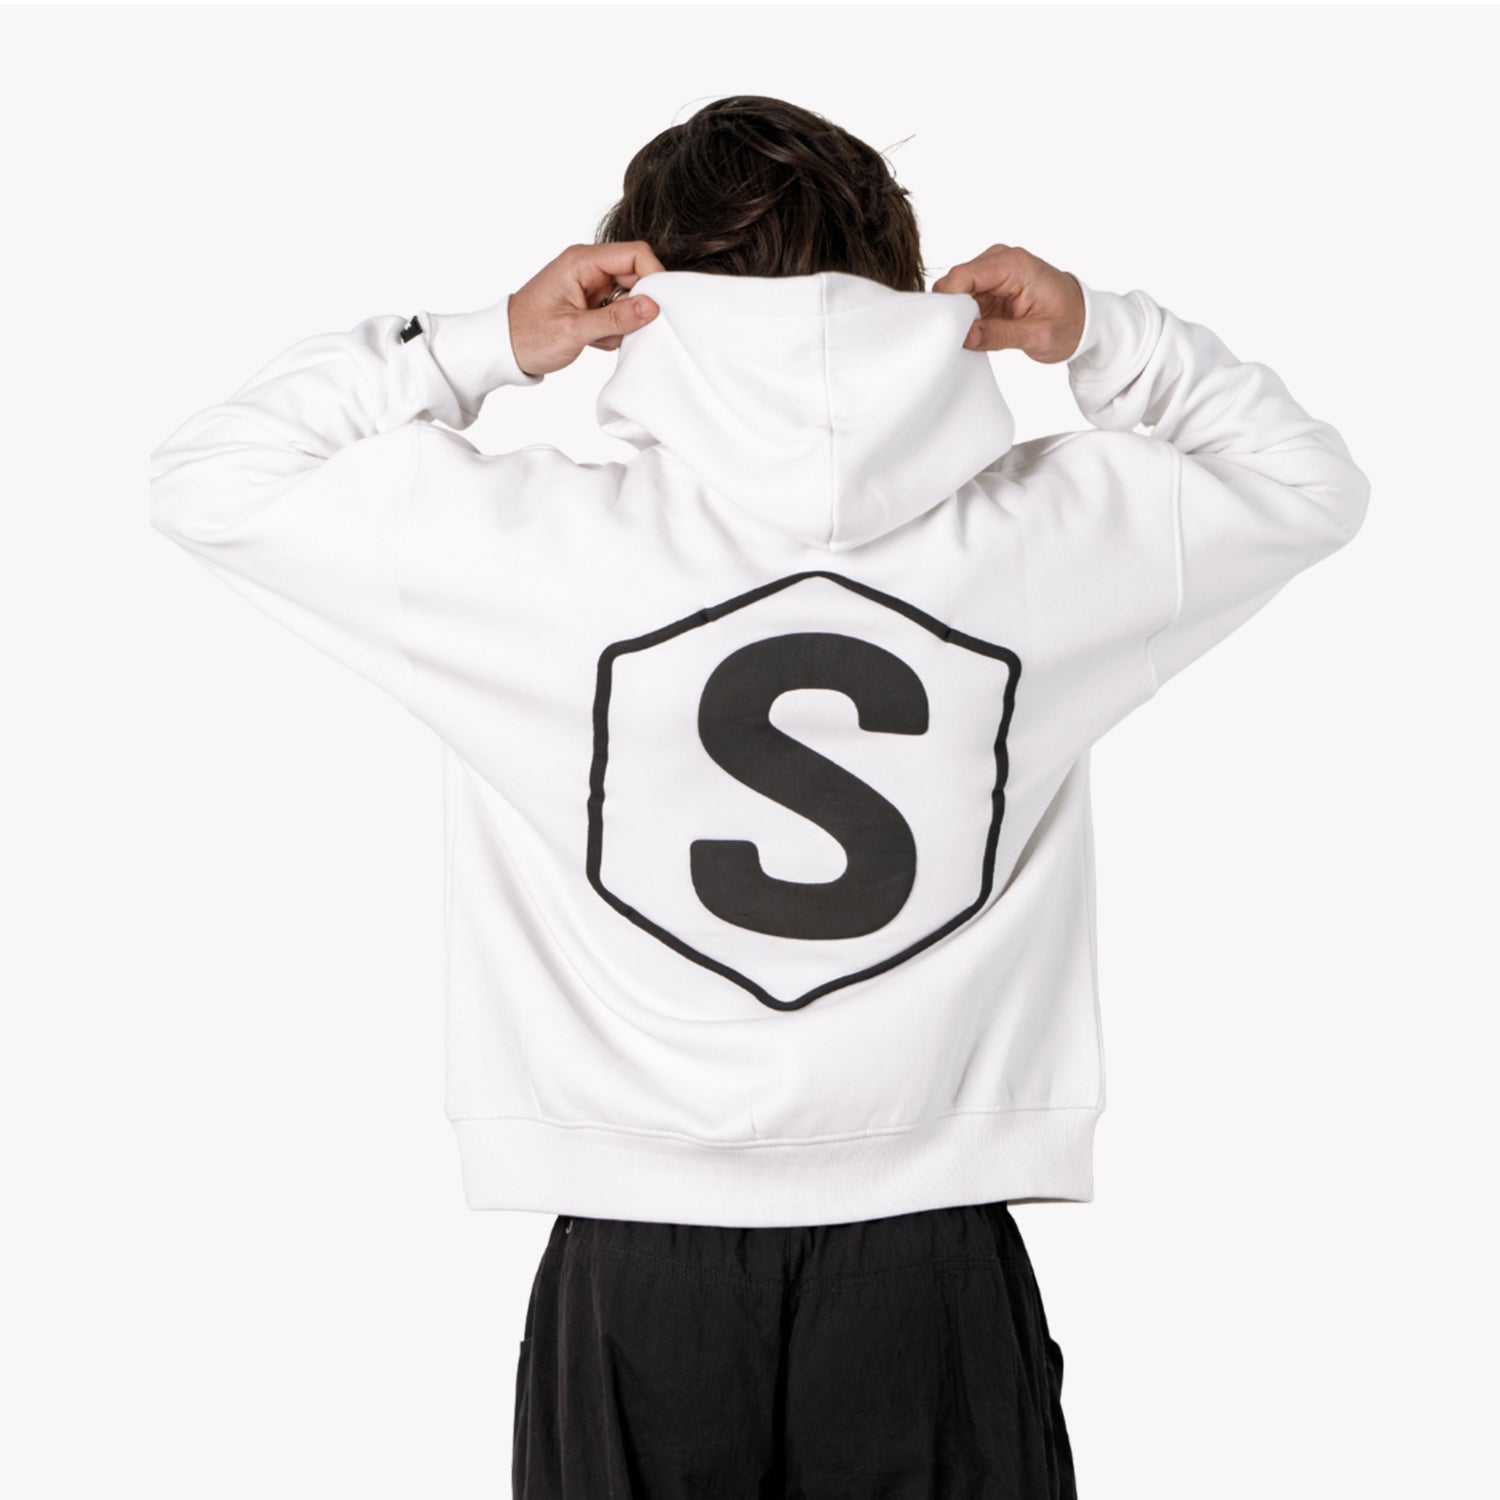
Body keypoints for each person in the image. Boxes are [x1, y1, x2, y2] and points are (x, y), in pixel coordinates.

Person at [149, 95, 1369, 1500]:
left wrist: (488, 342)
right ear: (903, 298)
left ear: (640, 302)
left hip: (633, 1253)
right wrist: (1104, 335)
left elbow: (212, 477)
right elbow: (1304, 482)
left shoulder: (522, 548)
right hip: (936, 1243)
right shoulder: (1046, 539)